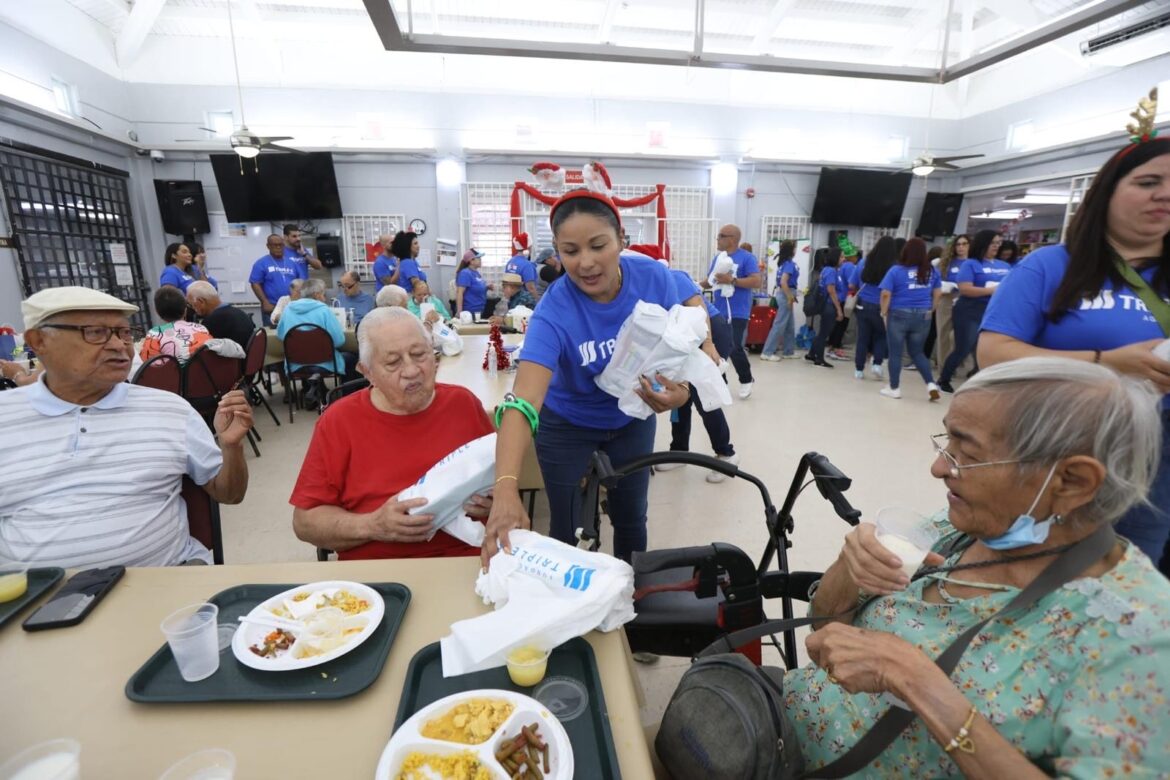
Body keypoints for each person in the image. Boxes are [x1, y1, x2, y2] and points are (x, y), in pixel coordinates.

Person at [789, 357, 1170, 775]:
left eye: (966, 452)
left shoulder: (1139, 639)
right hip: (776, 723)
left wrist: (916, 680)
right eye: (945, 442)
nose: (938, 467)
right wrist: (849, 565)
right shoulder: (954, 531)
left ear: (1072, 481)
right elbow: (823, 628)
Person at [979, 127, 1170, 575]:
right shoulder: (1050, 265)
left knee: (1132, 568)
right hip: (1060, 439)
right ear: (1107, 191)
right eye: (1148, 182)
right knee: (1030, 560)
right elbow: (992, 353)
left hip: (1159, 456)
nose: (1164, 196)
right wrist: (1105, 364)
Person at [482, 188, 690, 567]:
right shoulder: (554, 312)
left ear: (621, 240)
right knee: (566, 527)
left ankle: (631, 601)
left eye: (598, 246)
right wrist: (506, 487)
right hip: (565, 424)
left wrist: (681, 395)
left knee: (631, 518)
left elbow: (682, 343)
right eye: (571, 251)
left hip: (630, 419)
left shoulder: (654, 278)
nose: (586, 263)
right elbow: (522, 401)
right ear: (558, 254)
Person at [0, 287, 251, 568]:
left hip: (163, 580)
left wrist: (230, 446)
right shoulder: (6, 418)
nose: (119, 346)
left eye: (124, 333)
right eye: (95, 332)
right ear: (39, 341)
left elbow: (228, 493)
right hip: (31, 598)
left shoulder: (170, 409)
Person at [289, 308, 494, 559]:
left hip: (467, 560)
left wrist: (495, 502)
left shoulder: (463, 404)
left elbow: (503, 483)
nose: (411, 370)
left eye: (419, 355)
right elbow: (305, 521)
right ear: (367, 373)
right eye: (393, 362)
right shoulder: (338, 421)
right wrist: (373, 526)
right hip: (378, 572)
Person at [656, 266, 739, 482]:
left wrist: (708, 344)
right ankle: (679, 450)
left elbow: (699, 309)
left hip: (709, 333)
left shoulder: (670, 276)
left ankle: (726, 455)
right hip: (685, 336)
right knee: (680, 392)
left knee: (704, 396)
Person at [938, 230, 1011, 393]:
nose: (996, 246)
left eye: (999, 243)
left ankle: (978, 378)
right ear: (984, 243)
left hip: (992, 311)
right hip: (969, 310)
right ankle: (944, 379)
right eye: (993, 243)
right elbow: (965, 289)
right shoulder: (970, 264)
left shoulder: (1004, 266)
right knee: (964, 347)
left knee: (984, 348)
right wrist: (992, 291)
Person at [878, 237, 942, 400]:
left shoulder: (896, 270)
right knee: (917, 352)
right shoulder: (932, 271)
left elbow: (886, 294)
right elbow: (938, 293)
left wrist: (883, 312)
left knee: (895, 353)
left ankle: (894, 388)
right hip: (923, 315)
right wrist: (931, 309)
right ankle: (931, 384)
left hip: (899, 314)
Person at [701, 224, 759, 398]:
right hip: (717, 311)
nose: (717, 239)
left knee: (734, 347)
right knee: (718, 348)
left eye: (720, 236)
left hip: (738, 311)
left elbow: (756, 281)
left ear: (732, 239)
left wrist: (732, 280)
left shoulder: (747, 258)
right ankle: (721, 383)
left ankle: (746, 379)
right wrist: (693, 284)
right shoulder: (718, 258)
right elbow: (711, 281)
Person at [276, 278, 355, 379]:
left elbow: (281, 335)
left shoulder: (287, 310)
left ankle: (309, 389)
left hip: (295, 365)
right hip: (325, 363)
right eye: (324, 294)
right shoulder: (324, 310)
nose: (324, 298)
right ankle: (345, 393)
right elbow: (339, 341)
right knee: (352, 358)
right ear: (317, 295)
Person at [850, 236, 897, 380]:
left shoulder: (864, 262)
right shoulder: (894, 267)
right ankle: (877, 364)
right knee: (880, 336)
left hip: (862, 305)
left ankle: (858, 370)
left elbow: (852, 284)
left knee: (862, 338)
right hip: (882, 307)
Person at [139, 286, 212, 363]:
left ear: (157, 312)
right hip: (205, 373)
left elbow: (148, 365)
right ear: (185, 310)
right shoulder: (201, 328)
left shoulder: (155, 334)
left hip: (176, 374)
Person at [250, 233, 307, 326]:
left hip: (291, 306)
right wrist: (264, 301)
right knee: (273, 336)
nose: (278, 247)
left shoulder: (292, 263)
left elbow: (301, 282)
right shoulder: (261, 263)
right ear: (268, 246)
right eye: (274, 245)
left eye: (280, 245)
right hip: (271, 307)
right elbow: (255, 283)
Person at [932, 234, 970, 368]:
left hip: (967, 299)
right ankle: (944, 365)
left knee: (964, 334)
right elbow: (934, 281)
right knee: (943, 333)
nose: (961, 247)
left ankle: (961, 363)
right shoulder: (945, 263)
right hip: (947, 298)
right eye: (958, 244)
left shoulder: (973, 263)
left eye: (964, 244)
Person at [187, 281, 255, 352]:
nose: (193, 309)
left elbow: (198, 350)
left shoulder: (213, 320)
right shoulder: (238, 312)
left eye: (191, 305)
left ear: (201, 301)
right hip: (244, 359)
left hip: (229, 361)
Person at [760, 240, 800, 361]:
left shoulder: (784, 263)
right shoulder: (788, 264)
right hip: (786, 295)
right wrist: (789, 297)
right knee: (779, 324)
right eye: (795, 248)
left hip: (786, 294)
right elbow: (783, 282)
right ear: (791, 250)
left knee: (789, 325)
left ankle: (788, 351)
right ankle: (767, 352)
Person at [806, 247, 844, 368]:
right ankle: (820, 359)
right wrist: (839, 309)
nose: (844, 259)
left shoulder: (826, 270)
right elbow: (831, 290)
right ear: (836, 258)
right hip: (829, 305)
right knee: (824, 333)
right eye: (842, 257)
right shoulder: (831, 271)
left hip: (825, 305)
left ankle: (812, 354)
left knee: (822, 331)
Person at [827, 251, 857, 360]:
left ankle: (831, 347)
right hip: (844, 298)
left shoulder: (836, 268)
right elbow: (852, 283)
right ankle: (835, 348)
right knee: (841, 325)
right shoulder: (849, 266)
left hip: (837, 299)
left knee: (836, 325)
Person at [455, 249, 491, 318]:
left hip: (479, 310)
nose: (481, 260)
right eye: (478, 258)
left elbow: (475, 288)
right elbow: (459, 293)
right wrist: (459, 312)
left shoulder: (476, 273)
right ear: (471, 261)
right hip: (470, 312)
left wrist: (486, 287)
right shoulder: (465, 273)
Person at [505, 232, 539, 297]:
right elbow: (531, 288)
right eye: (531, 247)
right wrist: (538, 302)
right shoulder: (527, 265)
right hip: (524, 301)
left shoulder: (510, 262)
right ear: (527, 248)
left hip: (512, 300)